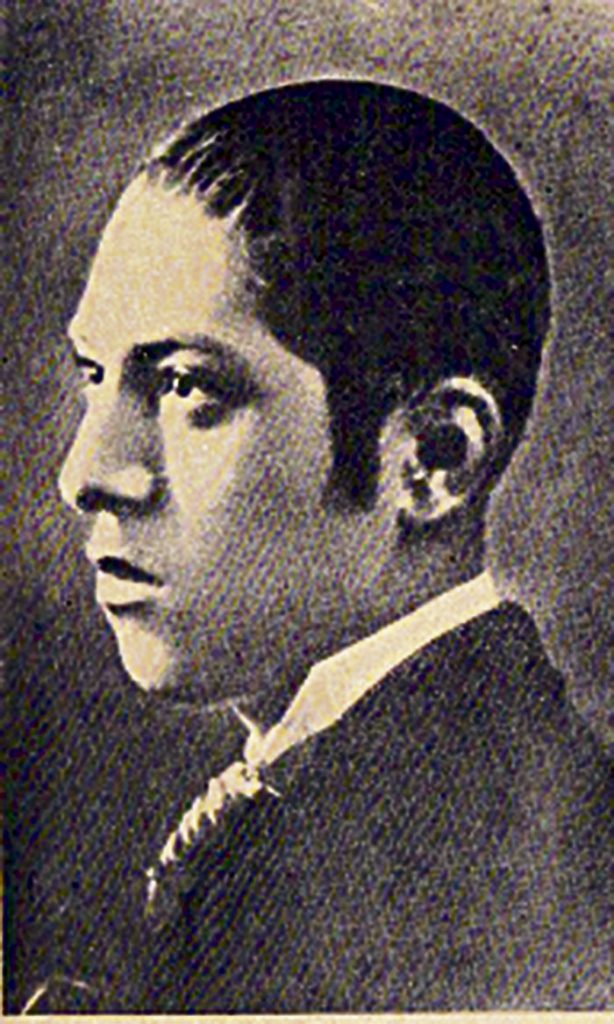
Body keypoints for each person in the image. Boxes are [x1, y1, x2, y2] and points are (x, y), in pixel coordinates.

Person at [28, 80, 611, 1012]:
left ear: (434, 458)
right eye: (94, 375)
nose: (86, 473)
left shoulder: (471, 874)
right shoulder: (377, 790)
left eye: (185, 386)